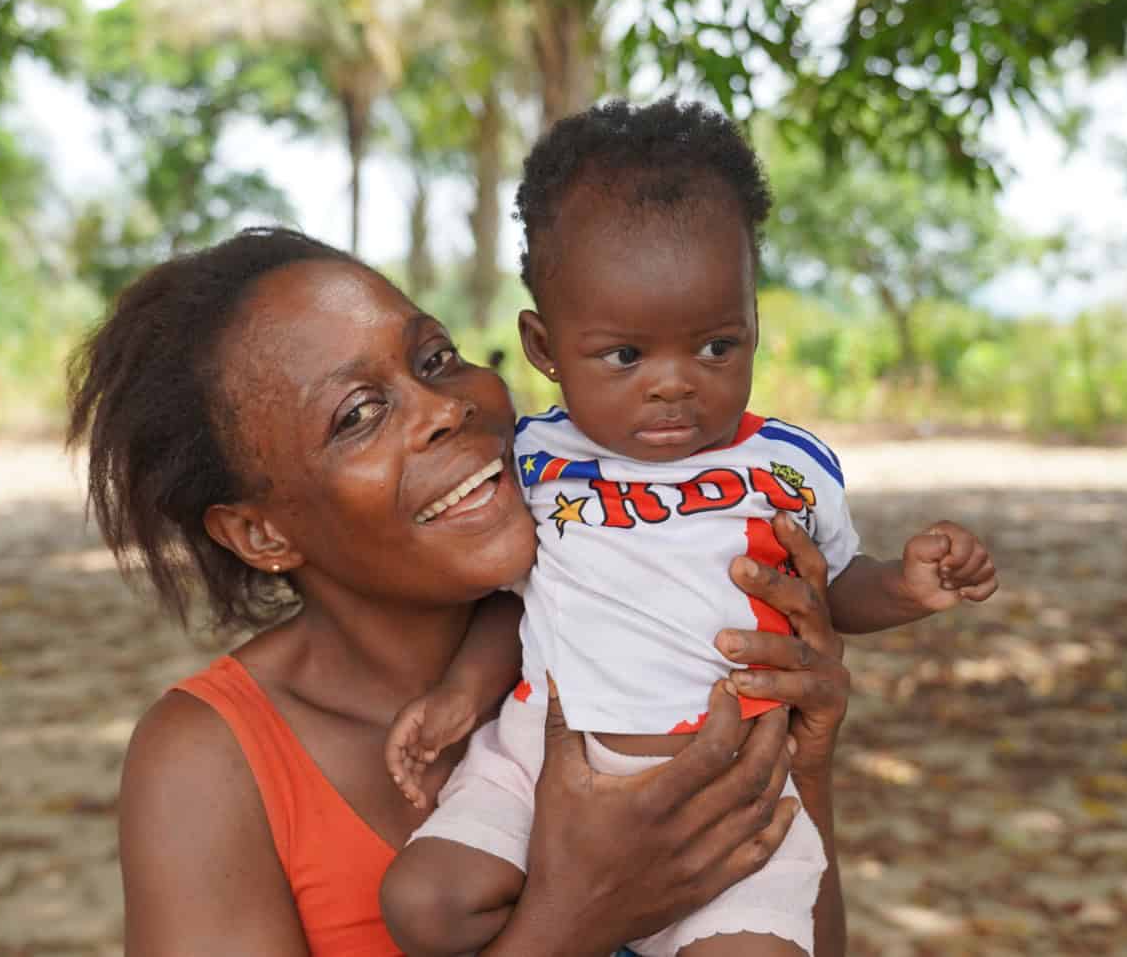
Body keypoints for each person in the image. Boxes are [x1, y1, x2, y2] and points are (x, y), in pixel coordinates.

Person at [67, 226, 853, 956]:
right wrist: (568, 919)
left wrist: (802, 766)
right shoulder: (211, 761)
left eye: (436, 357)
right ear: (260, 532)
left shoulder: (654, 636)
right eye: (358, 414)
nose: (445, 407)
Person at [381, 100, 999, 956]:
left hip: (733, 797)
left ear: (753, 327)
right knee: (426, 903)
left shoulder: (786, 466)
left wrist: (905, 584)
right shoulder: (533, 459)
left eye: (715, 346)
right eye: (625, 355)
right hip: (537, 768)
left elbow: (829, 587)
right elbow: (516, 600)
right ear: (544, 347)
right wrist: (460, 695)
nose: (674, 383)